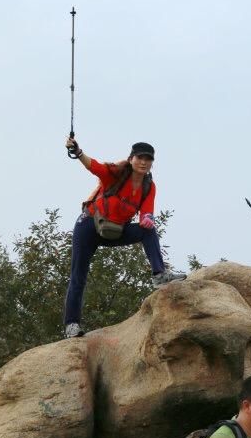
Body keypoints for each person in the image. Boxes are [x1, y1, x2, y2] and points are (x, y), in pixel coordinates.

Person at [63, 137, 186, 338]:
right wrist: (77, 152)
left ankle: (159, 274)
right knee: (78, 276)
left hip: (114, 231)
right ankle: (71, 326)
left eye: (148, 159)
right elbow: (94, 167)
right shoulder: (116, 174)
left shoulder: (149, 186)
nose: (143, 162)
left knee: (149, 230)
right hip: (89, 226)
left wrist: (147, 219)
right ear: (131, 159)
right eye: (140, 158)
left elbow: (147, 211)